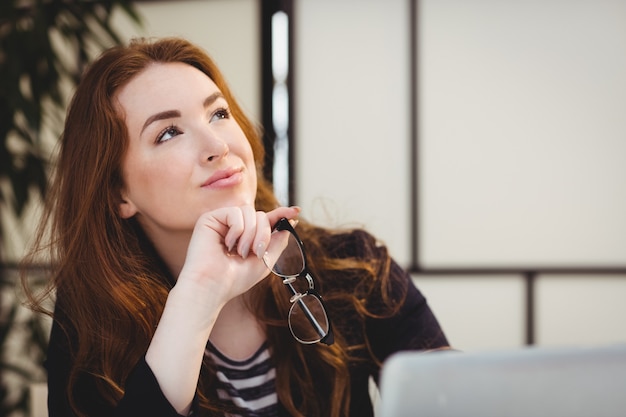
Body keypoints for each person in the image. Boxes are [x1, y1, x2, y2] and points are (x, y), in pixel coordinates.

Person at [23, 37, 449, 417]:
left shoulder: (352, 266)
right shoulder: (91, 322)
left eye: (219, 113)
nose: (218, 146)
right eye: (169, 133)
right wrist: (199, 295)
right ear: (119, 194)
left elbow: (457, 396)